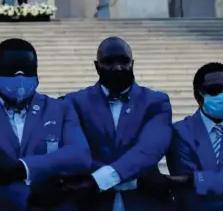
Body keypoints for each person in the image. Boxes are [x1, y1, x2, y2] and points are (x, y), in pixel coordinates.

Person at [0, 38, 92, 210]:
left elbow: (79, 155)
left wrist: (23, 168)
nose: (19, 77)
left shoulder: (60, 108)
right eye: (11, 70)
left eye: (27, 70)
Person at [63, 36, 174, 211]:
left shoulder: (156, 101)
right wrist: (132, 177)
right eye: (108, 62)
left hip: (145, 201)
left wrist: (98, 179)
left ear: (133, 63)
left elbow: (149, 150)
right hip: (91, 203)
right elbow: (76, 153)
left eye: (124, 61)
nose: (117, 67)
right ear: (96, 65)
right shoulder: (74, 102)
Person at [166, 62, 223, 211]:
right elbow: (187, 193)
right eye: (214, 90)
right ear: (198, 94)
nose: (222, 96)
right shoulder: (179, 132)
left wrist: (198, 180)